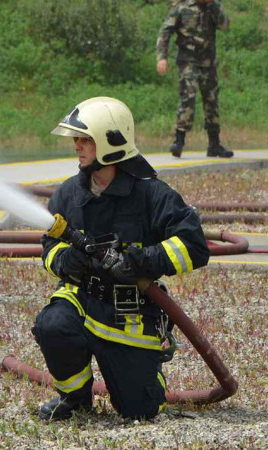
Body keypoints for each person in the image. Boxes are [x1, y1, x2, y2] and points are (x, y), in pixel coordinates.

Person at [33, 97, 210, 421]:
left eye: (86, 139)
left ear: (110, 143)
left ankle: (146, 381)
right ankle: (75, 399)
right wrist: (65, 260)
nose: (77, 146)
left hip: (131, 308)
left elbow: (195, 246)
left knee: (140, 410)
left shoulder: (152, 195)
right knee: (53, 324)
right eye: (76, 139)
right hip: (81, 298)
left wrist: (143, 260)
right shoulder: (67, 195)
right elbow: (49, 247)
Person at [156, 0, 232, 159]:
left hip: (208, 61)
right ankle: (179, 141)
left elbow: (225, 25)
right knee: (188, 97)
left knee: (211, 99)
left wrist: (214, 6)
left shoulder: (212, 7)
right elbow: (165, 32)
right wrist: (162, 57)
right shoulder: (181, 7)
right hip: (187, 60)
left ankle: (214, 144)